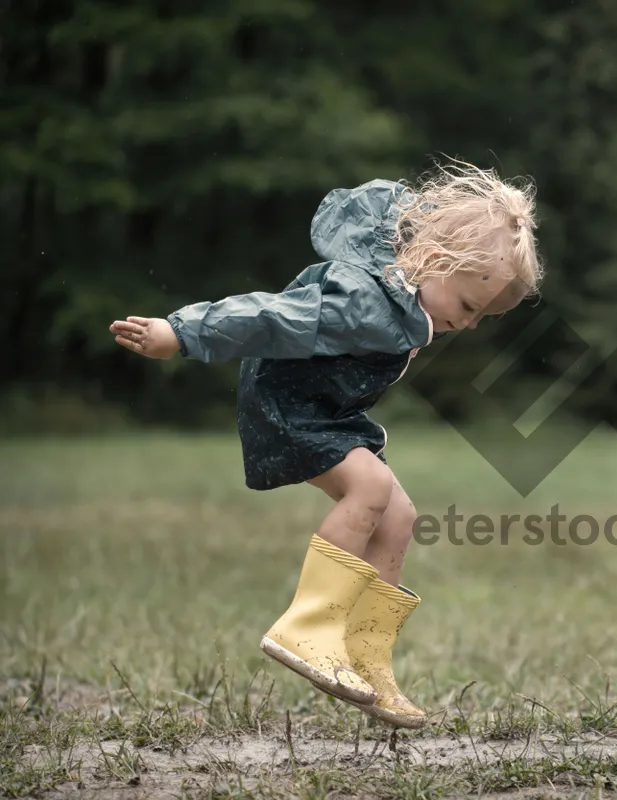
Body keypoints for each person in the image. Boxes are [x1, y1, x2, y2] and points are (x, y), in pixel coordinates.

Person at [109, 161, 542, 729]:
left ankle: (366, 656)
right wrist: (183, 332)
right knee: (370, 485)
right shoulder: (362, 301)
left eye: (484, 317)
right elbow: (269, 316)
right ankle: (309, 627)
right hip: (286, 405)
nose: (470, 325)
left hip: (330, 412)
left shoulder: (404, 300)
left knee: (399, 515)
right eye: (468, 306)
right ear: (436, 261)